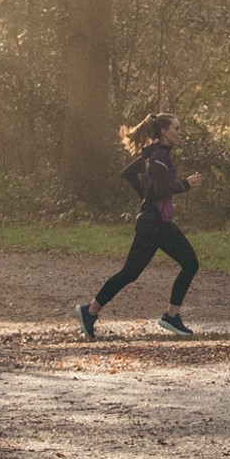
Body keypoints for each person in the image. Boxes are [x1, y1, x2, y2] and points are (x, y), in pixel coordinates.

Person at [75, 112, 202, 340]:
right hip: (156, 224)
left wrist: (146, 197)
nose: (180, 132)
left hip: (152, 222)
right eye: (177, 128)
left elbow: (129, 174)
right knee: (190, 264)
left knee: (130, 273)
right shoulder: (160, 156)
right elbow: (160, 190)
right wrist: (186, 184)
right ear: (165, 132)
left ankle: (90, 311)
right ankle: (171, 316)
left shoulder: (153, 154)